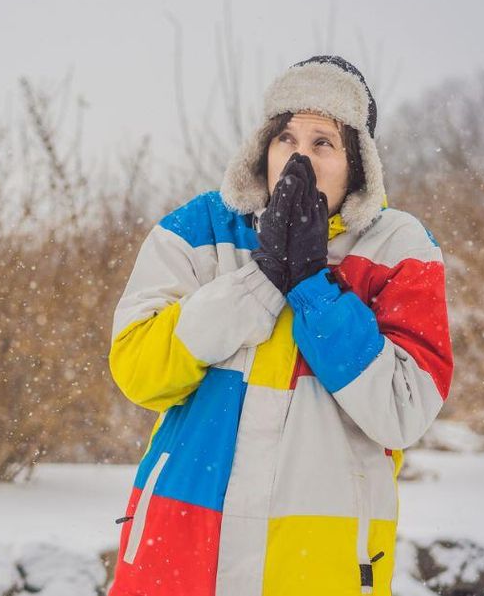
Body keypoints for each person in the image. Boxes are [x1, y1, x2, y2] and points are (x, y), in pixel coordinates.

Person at [106, 55, 453, 596]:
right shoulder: (200, 228)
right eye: (286, 138)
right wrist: (261, 281)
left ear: (359, 164)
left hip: (320, 569)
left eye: (323, 143)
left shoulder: (400, 248)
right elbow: (138, 371)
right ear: (262, 147)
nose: (299, 158)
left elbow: (402, 410)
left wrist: (313, 288)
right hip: (179, 555)